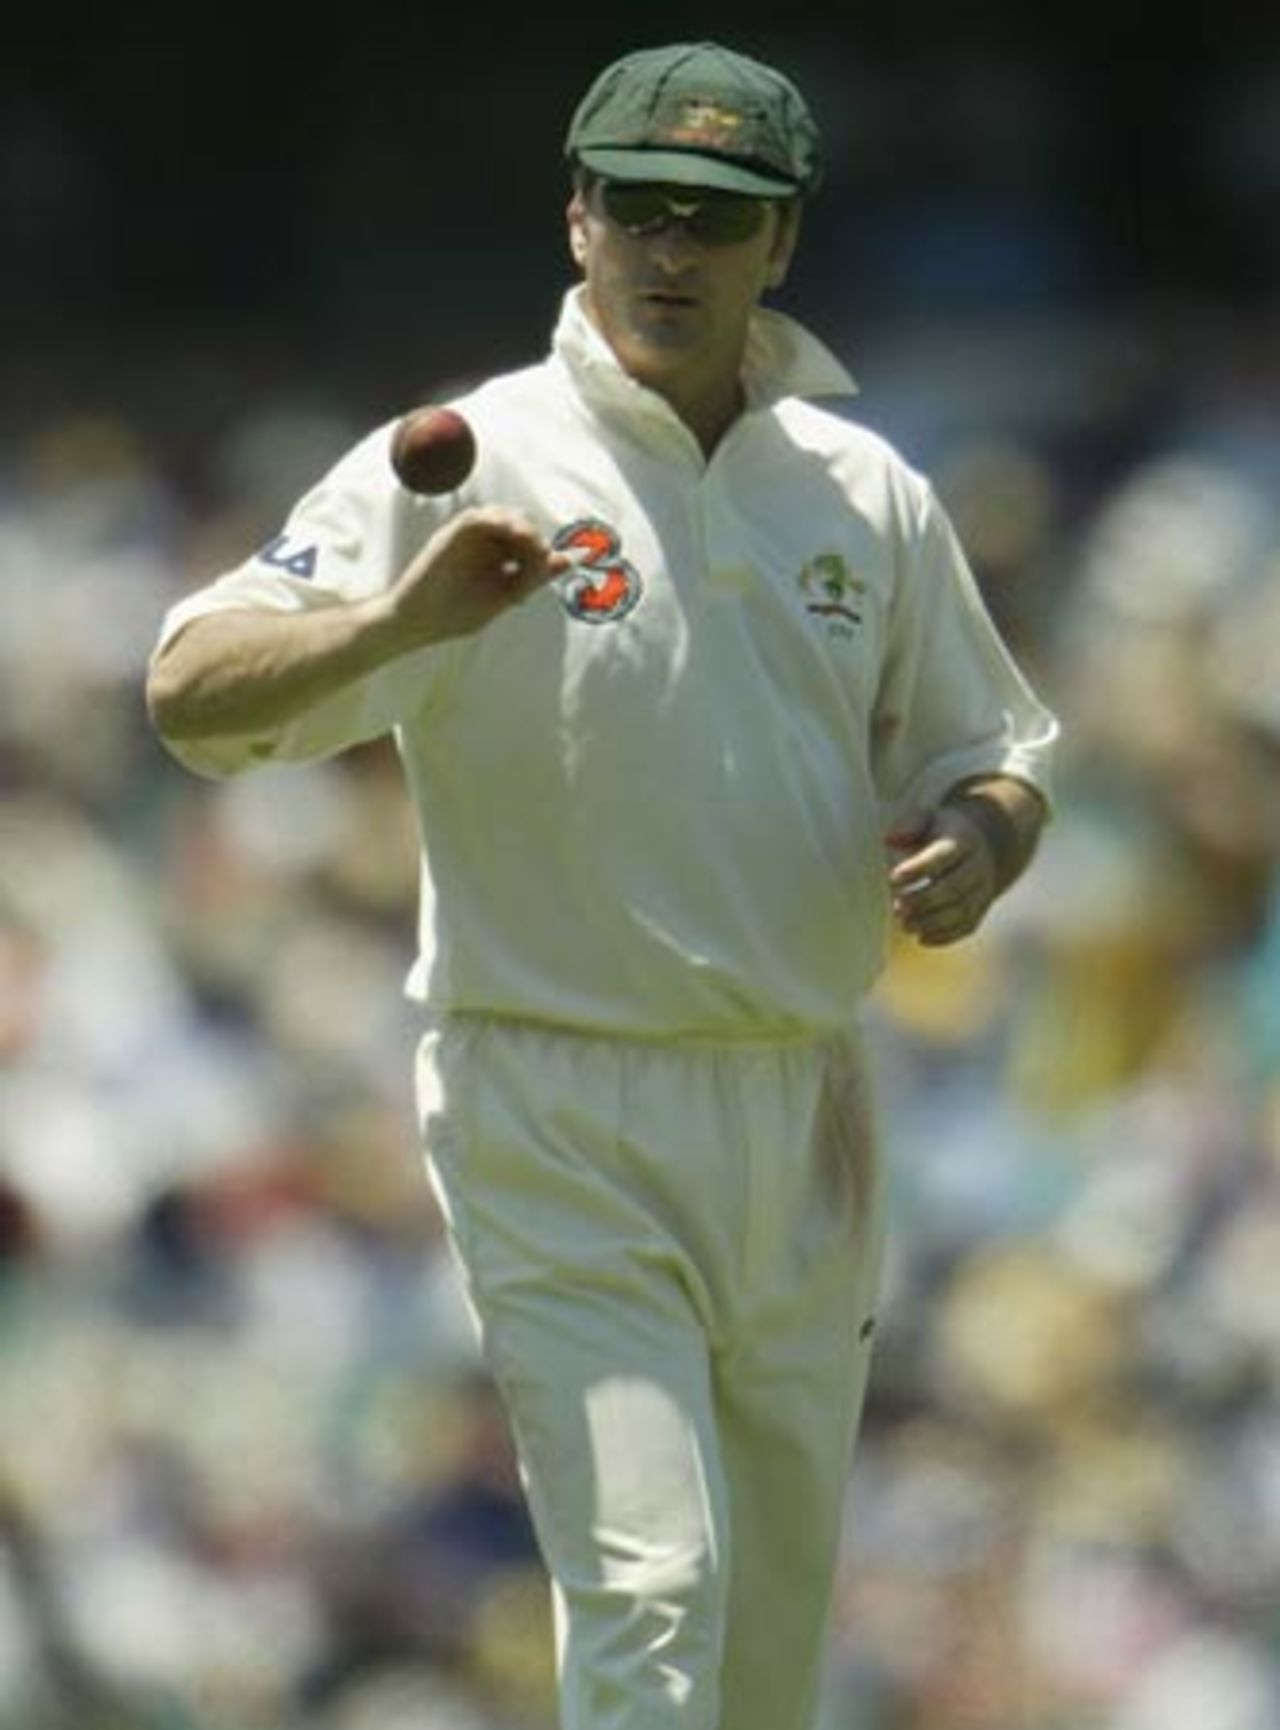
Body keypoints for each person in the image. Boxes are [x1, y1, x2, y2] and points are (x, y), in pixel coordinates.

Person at [146, 39, 1058, 1730]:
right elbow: (193, 688)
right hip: (551, 1093)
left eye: (717, 218)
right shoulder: (467, 455)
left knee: (770, 1650)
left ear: (780, 244)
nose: (670, 248)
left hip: (805, 1106)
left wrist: (983, 842)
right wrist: (404, 623)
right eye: (637, 205)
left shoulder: (863, 489)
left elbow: (996, 746)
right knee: (653, 1593)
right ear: (577, 219)